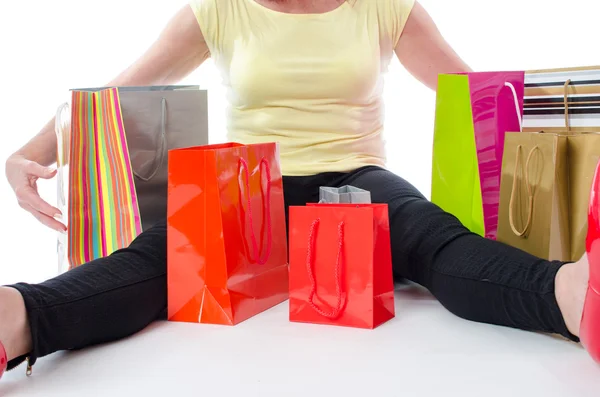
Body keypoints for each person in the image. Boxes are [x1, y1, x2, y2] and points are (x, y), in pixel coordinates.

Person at [2, 0, 599, 379]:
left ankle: (570, 295)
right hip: (254, 186)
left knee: (428, 235)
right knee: (163, 256)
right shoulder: (218, 9)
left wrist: (578, 124)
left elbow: (476, 94)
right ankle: (19, 317)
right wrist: (27, 154)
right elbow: (114, 95)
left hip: (357, 178)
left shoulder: (385, 7)